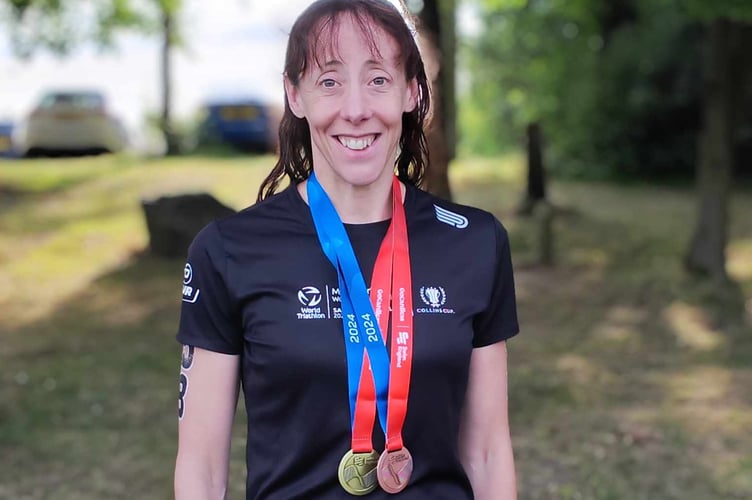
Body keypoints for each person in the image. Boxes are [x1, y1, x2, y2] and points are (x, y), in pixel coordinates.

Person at [173, 0, 519, 498]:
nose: (355, 110)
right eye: (329, 81)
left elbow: (487, 451)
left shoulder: (474, 241)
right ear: (295, 95)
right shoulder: (228, 250)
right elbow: (201, 468)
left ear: (411, 91)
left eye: (378, 79)